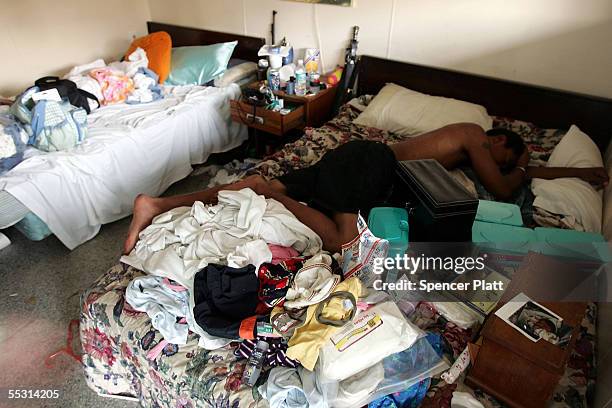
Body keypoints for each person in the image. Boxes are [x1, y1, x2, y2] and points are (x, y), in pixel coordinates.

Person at [123, 123, 608, 254]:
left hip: (356, 162)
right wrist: (520, 170)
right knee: (342, 243)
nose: (498, 163)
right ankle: (272, 194)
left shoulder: (468, 145)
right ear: (497, 141)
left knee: (255, 182)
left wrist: (578, 176)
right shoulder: (475, 134)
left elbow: (507, 180)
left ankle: (157, 203)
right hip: (370, 167)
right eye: (508, 155)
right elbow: (503, 190)